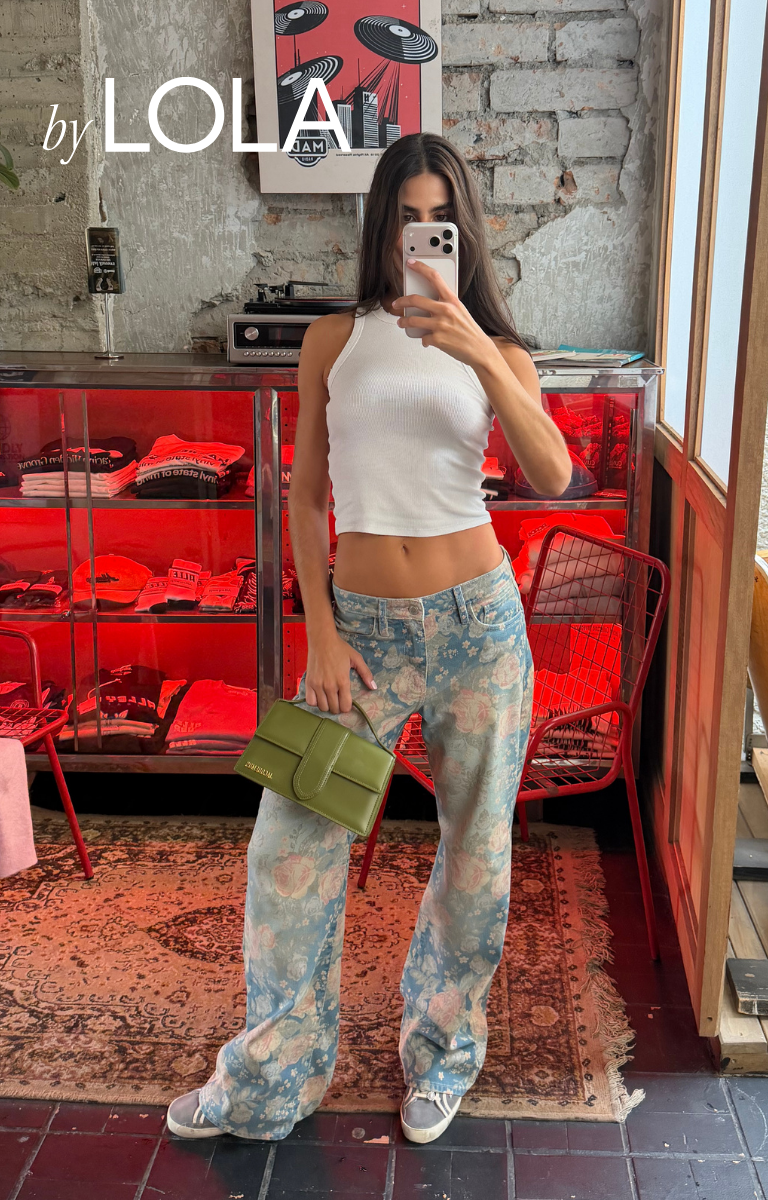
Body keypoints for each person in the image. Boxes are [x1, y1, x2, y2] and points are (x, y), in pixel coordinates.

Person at [167, 132, 571, 1146]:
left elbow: (553, 474)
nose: (419, 236)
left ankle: (443, 1055)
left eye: (440, 218)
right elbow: (306, 499)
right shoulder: (333, 341)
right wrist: (319, 628)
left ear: (462, 230)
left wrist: (478, 351)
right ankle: (269, 1080)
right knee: (288, 852)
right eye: (404, 216)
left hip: (478, 625)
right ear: (380, 224)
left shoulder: (499, 351)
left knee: (475, 856)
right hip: (360, 634)